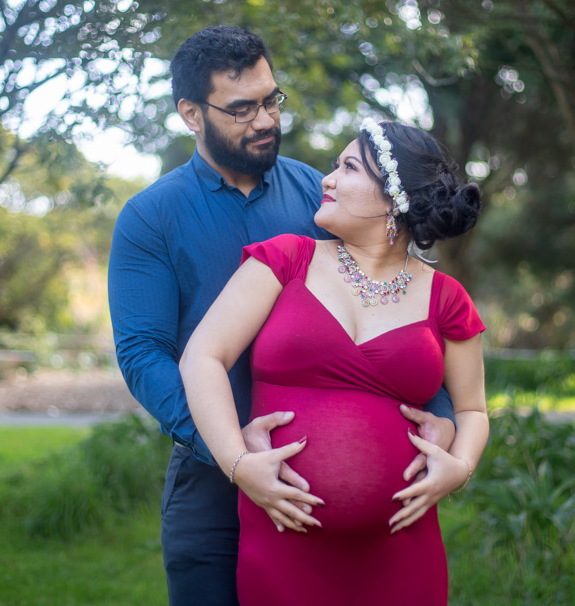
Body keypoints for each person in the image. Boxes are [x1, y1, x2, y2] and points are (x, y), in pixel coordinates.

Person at [107, 26, 456, 605]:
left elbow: (396, 301)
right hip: (209, 484)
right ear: (192, 114)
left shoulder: (319, 199)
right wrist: (234, 452)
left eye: (272, 99)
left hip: (346, 513)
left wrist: (439, 414)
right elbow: (143, 354)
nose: (265, 120)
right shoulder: (149, 218)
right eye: (242, 109)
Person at [179, 119, 490, 605]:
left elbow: (472, 409)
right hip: (284, 543)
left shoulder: (447, 298)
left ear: (393, 198)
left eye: (347, 167)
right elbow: (203, 357)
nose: (326, 179)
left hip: (403, 551)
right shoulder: (285, 260)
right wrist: (238, 464)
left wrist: (460, 467)